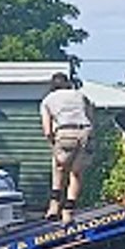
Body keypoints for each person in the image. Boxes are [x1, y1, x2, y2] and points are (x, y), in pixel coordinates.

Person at [40, 71, 94, 223]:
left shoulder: (47, 100)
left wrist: (53, 144)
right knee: (76, 173)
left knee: (59, 166)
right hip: (85, 132)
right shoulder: (80, 95)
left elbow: (47, 131)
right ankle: (68, 211)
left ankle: (54, 205)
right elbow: (90, 116)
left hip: (65, 132)